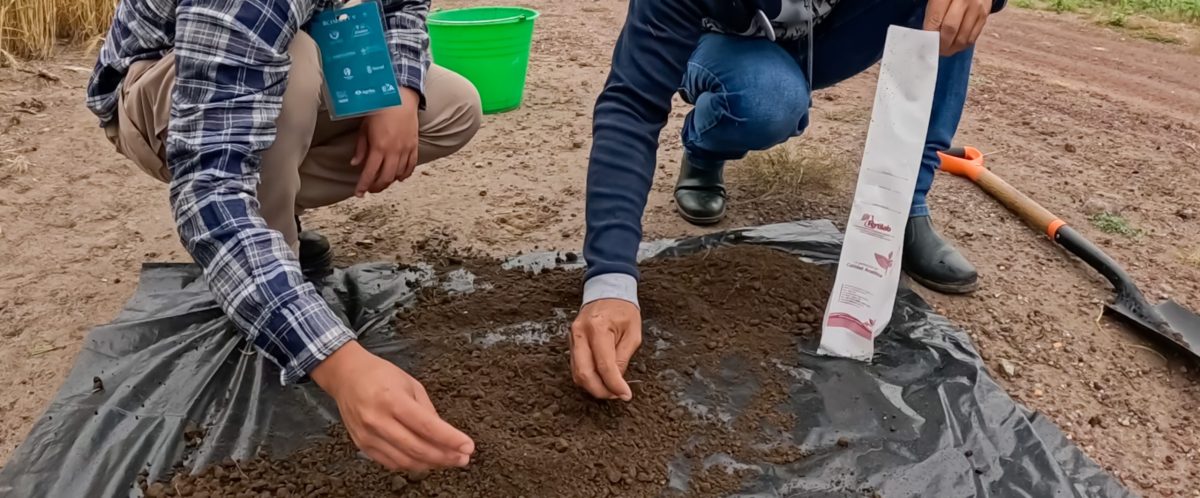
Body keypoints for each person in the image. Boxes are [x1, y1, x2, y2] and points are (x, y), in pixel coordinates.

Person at [86, 0, 481, 472]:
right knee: (294, 68)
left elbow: (403, 5)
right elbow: (210, 192)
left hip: (287, 49)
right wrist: (340, 365)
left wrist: (400, 88)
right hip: (168, 86)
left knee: (454, 105)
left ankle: (268, 216)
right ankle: (266, 275)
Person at [571, 0, 1006, 401]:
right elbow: (632, 105)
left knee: (949, 6)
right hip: (725, 47)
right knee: (767, 100)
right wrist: (610, 282)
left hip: (825, 39)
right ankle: (705, 149)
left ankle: (905, 206)